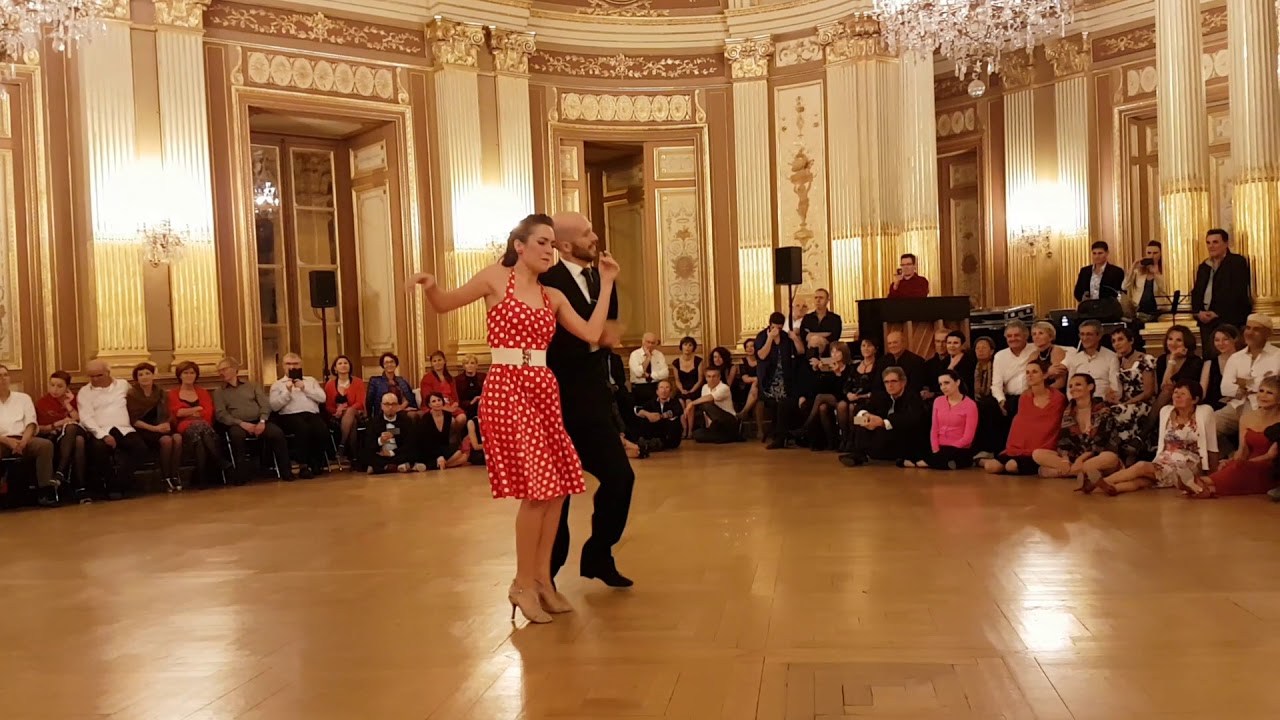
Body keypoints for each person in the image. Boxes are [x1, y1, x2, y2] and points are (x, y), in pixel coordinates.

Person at [411, 212, 620, 623]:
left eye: (550, 243)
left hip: (543, 386)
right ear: (519, 246)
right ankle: (522, 584)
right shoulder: (495, 279)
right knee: (539, 489)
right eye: (539, 242)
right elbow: (444, 303)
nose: (547, 249)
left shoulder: (552, 297)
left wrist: (608, 280)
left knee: (559, 487)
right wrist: (431, 285)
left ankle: (542, 581)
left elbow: (593, 334)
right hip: (507, 389)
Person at [539, 211, 636, 590]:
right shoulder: (546, 280)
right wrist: (596, 338)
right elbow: (561, 341)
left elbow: (603, 330)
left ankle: (599, 552)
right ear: (565, 245)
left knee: (620, 478)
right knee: (558, 495)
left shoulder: (599, 276)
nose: (594, 237)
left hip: (594, 403)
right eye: (586, 233)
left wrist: (600, 337)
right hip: (556, 403)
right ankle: (547, 573)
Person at [1086, 380, 1218, 497]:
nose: (1176, 396)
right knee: (1141, 481)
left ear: (1195, 399)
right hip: (1163, 462)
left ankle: (1098, 483)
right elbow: (1162, 443)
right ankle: (1113, 488)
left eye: (1182, 394)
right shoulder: (1166, 411)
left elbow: (1212, 445)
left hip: (1186, 468)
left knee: (1141, 466)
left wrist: (1212, 477)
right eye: (1175, 392)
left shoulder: (1204, 412)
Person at [78, 359, 150, 498]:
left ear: (108, 372)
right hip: (100, 430)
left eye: (99, 375)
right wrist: (103, 435)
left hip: (124, 429)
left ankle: (123, 483)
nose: (95, 379)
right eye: (91, 376)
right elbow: (86, 418)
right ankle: (111, 487)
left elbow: (138, 400)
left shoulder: (123, 385)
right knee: (99, 450)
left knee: (140, 448)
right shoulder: (84, 392)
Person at [215, 356, 293, 483]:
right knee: (236, 436)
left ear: (235, 369)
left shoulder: (252, 385)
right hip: (237, 423)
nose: (221, 373)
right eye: (219, 371)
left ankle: (286, 471)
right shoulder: (219, 392)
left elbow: (264, 404)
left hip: (258, 420)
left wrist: (262, 421)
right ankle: (241, 475)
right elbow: (221, 414)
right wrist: (241, 423)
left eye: (224, 369)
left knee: (277, 433)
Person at [1033, 373, 1123, 481]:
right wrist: (1066, 460)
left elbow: (1101, 443)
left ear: (1090, 387)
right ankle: (1083, 472)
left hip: (1096, 455)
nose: (1073, 388)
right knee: (1037, 454)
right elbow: (1064, 441)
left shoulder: (1102, 410)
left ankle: (1067, 472)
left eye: (1078, 385)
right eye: (1070, 386)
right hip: (1074, 456)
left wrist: (1080, 461)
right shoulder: (1068, 411)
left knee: (1110, 458)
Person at [1201, 376, 1280, 498]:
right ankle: (1204, 487)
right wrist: (1232, 461)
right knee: (1231, 466)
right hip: (1247, 464)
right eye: (1261, 391)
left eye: (1269, 393)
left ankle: (1202, 483)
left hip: (1270, 467)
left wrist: (1244, 463)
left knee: (1239, 468)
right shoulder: (1246, 418)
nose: (1263, 396)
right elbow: (1243, 449)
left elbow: (1271, 456)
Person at [982, 361, 1065, 476]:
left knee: (1011, 466)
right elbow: (1021, 424)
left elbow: (1053, 425)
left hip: (1040, 447)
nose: (1030, 375)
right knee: (991, 466)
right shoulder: (1025, 397)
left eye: (1034, 372)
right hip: (1019, 447)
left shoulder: (1057, 398)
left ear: (1045, 375)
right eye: (1027, 372)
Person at [838, 366, 926, 468]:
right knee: (860, 420)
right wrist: (866, 416)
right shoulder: (881, 395)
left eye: (894, 381)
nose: (890, 385)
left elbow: (911, 419)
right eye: (886, 382)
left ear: (903, 382)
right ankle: (858, 454)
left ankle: (860, 454)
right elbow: (860, 410)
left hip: (904, 438)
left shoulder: (912, 397)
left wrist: (883, 423)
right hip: (883, 437)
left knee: (878, 429)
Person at [1216, 315, 1280, 447]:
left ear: (1267, 333)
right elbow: (1225, 388)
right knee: (1207, 424)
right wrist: (1258, 382)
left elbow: (1274, 386)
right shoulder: (1236, 357)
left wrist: (1242, 382)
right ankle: (1226, 457)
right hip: (1235, 404)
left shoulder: (1277, 356)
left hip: (1263, 406)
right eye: (1248, 328)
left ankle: (1241, 459)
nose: (1250, 333)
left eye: (1256, 329)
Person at [0, 364, 58, 506]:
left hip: (23, 438)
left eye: (5, 375)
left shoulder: (23, 398)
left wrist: (25, 440)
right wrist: (7, 441)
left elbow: (31, 421)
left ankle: (44, 490)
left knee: (45, 446)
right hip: (1, 440)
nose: (2, 379)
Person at [1191, 228, 1253, 356]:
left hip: (1229, 320)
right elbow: (1196, 292)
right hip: (1207, 323)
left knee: (1231, 357)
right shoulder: (1204, 267)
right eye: (1208, 243)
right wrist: (1198, 312)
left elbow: (1238, 292)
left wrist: (1217, 313)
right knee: (1210, 357)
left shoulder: (1236, 262)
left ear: (1225, 243)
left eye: (1215, 242)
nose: (1211, 246)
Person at [268, 353, 331, 478]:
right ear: (283, 366)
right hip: (289, 415)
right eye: (288, 364)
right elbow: (274, 406)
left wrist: (305, 388)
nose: (292, 367)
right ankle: (303, 465)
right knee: (302, 428)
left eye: (295, 364)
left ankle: (317, 461)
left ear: (301, 365)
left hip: (311, 414)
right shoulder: (278, 384)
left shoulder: (311, 380)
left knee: (321, 429)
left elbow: (322, 398)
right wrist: (287, 391)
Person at [168, 361, 230, 487]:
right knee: (200, 428)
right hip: (184, 427)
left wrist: (189, 413)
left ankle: (201, 479)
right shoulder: (173, 393)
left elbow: (208, 413)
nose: (189, 375)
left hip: (204, 426)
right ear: (180, 375)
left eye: (192, 373)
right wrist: (197, 409)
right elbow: (177, 413)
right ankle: (220, 460)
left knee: (200, 441)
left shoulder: (202, 392)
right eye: (185, 373)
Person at [128, 363, 183, 490]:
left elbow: (167, 412)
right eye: (140, 375)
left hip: (161, 425)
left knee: (178, 438)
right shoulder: (132, 394)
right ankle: (165, 478)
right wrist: (154, 428)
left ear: (153, 375)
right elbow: (134, 420)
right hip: (144, 429)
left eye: (147, 373)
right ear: (137, 378)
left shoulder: (160, 391)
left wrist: (166, 423)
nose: (145, 377)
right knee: (166, 441)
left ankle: (174, 475)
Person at [1107, 326, 1156, 464]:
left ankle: (1129, 453)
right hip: (1125, 403)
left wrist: (1128, 403)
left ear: (1131, 340)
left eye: (1121, 339)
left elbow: (1148, 392)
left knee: (1121, 412)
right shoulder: (1118, 362)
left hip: (1144, 402)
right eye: (1114, 341)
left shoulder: (1145, 359)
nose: (1117, 343)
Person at [35, 370, 87, 497]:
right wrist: (59, 423)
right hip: (55, 437)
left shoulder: (74, 399)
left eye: (59, 386)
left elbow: (79, 420)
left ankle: (60, 472)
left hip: (76, 430)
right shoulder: (42, 403)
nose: (55, 389)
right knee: (78, 442)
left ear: (67, 388)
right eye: (52, 385)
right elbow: (38, 428)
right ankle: (80, 488)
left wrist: (67, 404)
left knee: (71, 428)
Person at [755, 311, 803, 450]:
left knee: (784, 402)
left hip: (786, 379)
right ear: (770, 325)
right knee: (777, 403)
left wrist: (795, 338)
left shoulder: (785, 337)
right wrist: (770, 339)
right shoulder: (762, 336)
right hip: (769, 380)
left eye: (780, 328)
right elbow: (762, 355)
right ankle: (779, 436)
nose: (777, 330)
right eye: (775, 327)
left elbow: (800, 351)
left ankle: (782, 436)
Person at [924, 370, 978, 470]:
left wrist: (951, 449)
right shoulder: (938, 401)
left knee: (943, 457)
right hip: (940, 446)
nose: (943, 387)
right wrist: (936, 449)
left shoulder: (970, 405)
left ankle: (922, 463)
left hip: (959, 448)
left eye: (947, 383)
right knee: (929, 453)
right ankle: (942, 463)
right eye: (940, 384)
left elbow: (968, 437)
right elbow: (934, 429)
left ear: (957, 382)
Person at [364, 392, 422, 474]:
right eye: (387, 404)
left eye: (393, 404)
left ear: (398, 406)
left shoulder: (405, 421)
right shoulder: (374, 422)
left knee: (413, 452)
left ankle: (384, 467)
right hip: (381, 453)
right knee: (367, 455)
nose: (390, 407)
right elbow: (368, 443)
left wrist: (392, 452)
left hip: (398, 453)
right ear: (382, 406)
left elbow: (409, 442)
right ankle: (397, 466)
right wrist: (380, 441)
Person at [1152, 325, 1203, 417]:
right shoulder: (1162, 359)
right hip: (1164, 399)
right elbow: (1163, 386)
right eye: (1170, 339)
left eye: (1179, 340)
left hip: (1185, 398)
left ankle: (1146, 430)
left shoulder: (1195, 361)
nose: (1173, 343)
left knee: (1168, 391)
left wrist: (1172, 359)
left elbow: (1173, 387)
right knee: (1166, 392)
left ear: (1187, 343)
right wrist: (1172, 358)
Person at [325, 355, 366, 464]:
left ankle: (342, 444)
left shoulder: (358, 382)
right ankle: (354, 457)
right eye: (340, 363)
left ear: (349, 366)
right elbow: (328, 405)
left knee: (350, 412)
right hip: (337, 417)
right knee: (352, 424)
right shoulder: (329, 385)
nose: (343, 365)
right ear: (335, 368)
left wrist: (345, 409)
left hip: (356, 412)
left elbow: (359, 402)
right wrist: (336, 412)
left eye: (345, 363)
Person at [1063, 320, 1119, 399]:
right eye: (1082, 334)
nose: (1085, 338)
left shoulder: (1111, 357)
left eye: (1089, 334)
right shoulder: (1074, 358)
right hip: (1078, 404)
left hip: (1103, 403)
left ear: (1099, 336)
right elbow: (1069, 387)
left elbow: (1115, 387)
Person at [991, 320, 1035, 422]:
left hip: (1032, 397)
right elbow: (996, 385)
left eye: (1017, 335)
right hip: (1010, 400)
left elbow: (1069, 350)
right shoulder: (1000, 356)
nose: (1013, 339)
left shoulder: (1035, 349)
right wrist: (1001, 401)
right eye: (1009, 336)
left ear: (1026, 336)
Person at [683, 366, 739, 444]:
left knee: (706, 404)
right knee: (697, 434)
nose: (711, 379)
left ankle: (727, 435)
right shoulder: (705, 387)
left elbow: (710, 398)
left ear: (719, 377)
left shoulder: (724, 387)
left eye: (714, 376)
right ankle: (725, 437)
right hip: (716, 425)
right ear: (706, 378)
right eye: (709, 376)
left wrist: (692, 403)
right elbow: (706, 412)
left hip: (728, 420)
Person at [968, 336, 1003, 459]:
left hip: (994, 398)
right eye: (978, 348)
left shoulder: (997, 365)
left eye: (984, 348)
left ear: (992, 351)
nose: (980, 350)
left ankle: (990, 449)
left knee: (987, 407)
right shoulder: (972, 366)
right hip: (977, 399)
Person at [420, 351, 468, 434]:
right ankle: (447, 440)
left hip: (450, 406)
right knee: (451, 421)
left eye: (439, 360)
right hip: (435, 405)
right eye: (434, 361)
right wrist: (443, 407)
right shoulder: (427, 378)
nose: (437, 363)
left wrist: (455, 404)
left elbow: (455, 397)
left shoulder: (450, 378)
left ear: (444, 361)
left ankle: (453, 437)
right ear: (431, 363)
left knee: (462, 418)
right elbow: (427, 397)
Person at [633, 379, 683, 451]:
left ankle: (648, 444)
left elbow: (676, 411)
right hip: (655, 434)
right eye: (661, 387)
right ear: (657, 391)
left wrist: (660, 416)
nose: (664, 390)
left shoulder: (675, 403)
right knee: (643, 419)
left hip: (669, 437)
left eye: (667, 387)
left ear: (670, 391)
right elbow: (637, 409)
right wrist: (647, 414)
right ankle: (646, 443)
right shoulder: (652, 402)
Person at [1121, 240, 1166, 320]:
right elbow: (1124, 286)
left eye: (1155, 253)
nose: (1152, 256)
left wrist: (1157, 274)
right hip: (1139, 310)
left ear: (1161, 254)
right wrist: (1133, 266)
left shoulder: (1165, 271)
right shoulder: (1139, 271)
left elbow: (1165, 289)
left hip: (1158, 310)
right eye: (1149, 253)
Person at [1200, 324, 1241, 411]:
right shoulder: (1209, 363)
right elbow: (1202, 391)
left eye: (1225, 339)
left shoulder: (1244, 359)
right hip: (1213, 406)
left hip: (1238, 404)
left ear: (1235, 339)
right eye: (1217, 340)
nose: (1221, 343)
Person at [366, 352, 418, 416]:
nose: (389, 364)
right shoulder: (375, 381)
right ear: (383, 365)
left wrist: (401, 407)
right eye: (386, 363)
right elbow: (369, 401)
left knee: (415, 415)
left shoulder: (402, 380)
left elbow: (409, 398)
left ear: (396, 364)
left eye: (392, 362)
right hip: (384, 412)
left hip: (402, 410)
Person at [629, 332, 669, 406]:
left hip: (655, 386)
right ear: (643, 341)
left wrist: (650, 376)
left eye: (653, 343)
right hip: (640, 387)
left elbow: (665, 373)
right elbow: (638, 373)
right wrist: (648, 358)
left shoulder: (659, 355)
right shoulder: (635, 355)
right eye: (648, 342)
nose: (650, 345)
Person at [455, 354, 486, 421]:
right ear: (463, 366)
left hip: (482, 405)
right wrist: (471, 402)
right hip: (466, 408)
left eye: (472, 363)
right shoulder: (457, 380)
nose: (470, 365)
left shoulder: (483, 377)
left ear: (476, 365)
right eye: (467, 363)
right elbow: (457, 399)